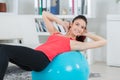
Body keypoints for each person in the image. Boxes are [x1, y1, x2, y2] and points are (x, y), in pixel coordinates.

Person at [0, 11, 106, 80]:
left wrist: (86, 33)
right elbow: (45, 14)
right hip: (33, 59)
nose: (78, 28)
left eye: (82, 27)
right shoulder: (55, 33)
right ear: (71, 24)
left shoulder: (74, 43)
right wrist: (60, 22)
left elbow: (103, 42)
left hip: (42, 59)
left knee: (4, 49)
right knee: (2, 50)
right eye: (77, 24)